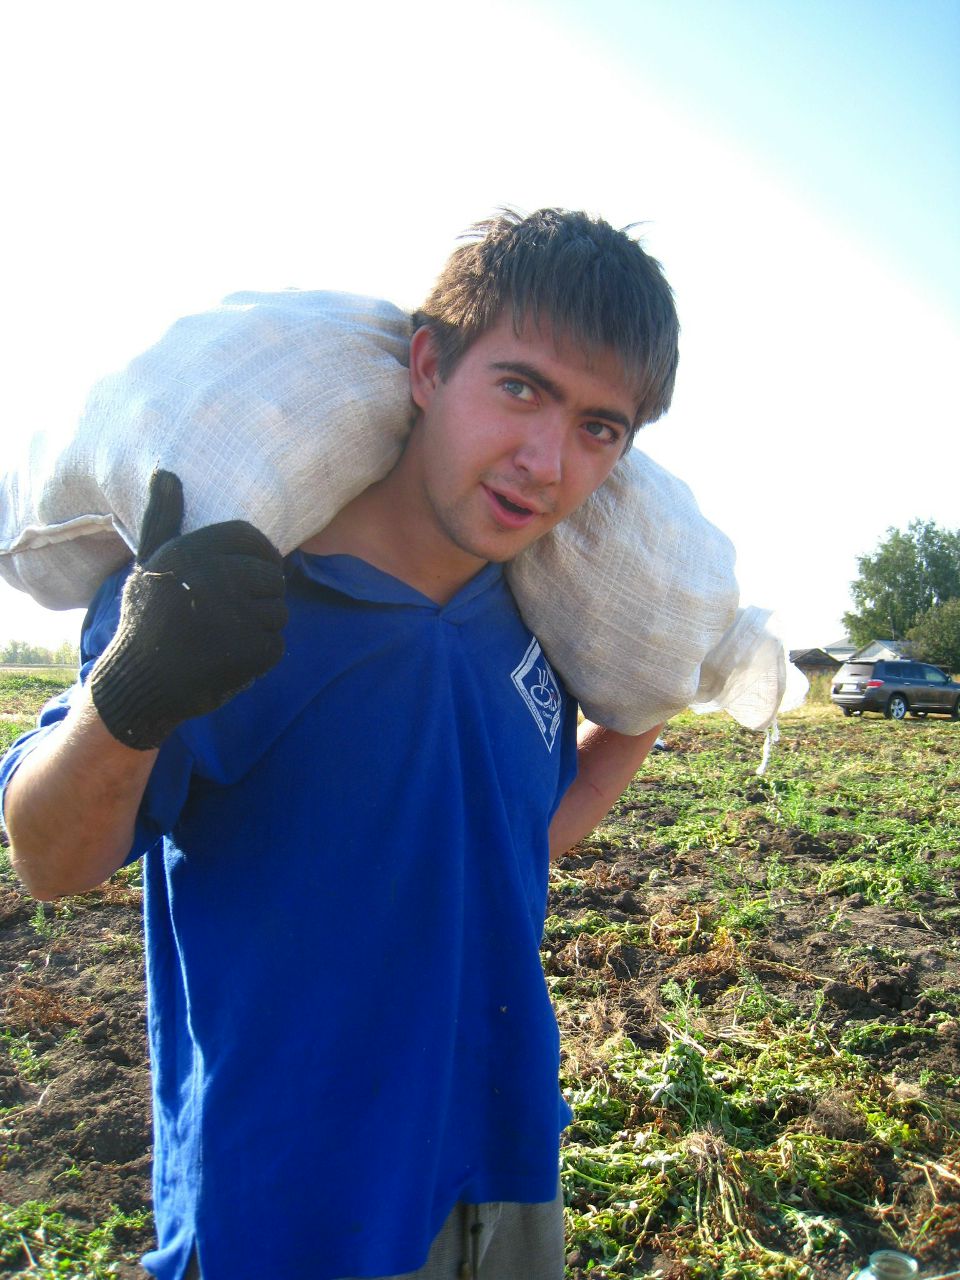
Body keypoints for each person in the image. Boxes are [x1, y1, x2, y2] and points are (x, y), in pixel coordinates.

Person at [0, 208, 680, 1280]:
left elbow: (518, 842)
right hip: (289, 1204)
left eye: (601, 426)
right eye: (520, 387)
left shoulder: (535, 625)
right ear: (426, 366)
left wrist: (644, 705)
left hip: (502, 1166)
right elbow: (48, 857)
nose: (546, 460)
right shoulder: (227, 594)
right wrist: (131, 690)